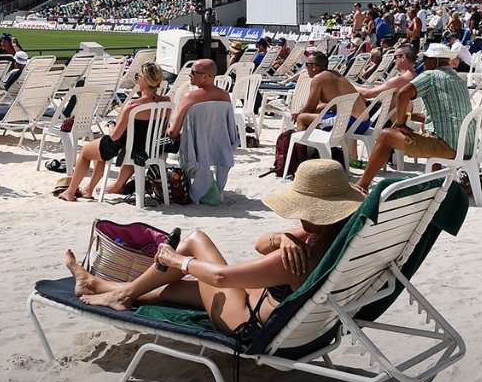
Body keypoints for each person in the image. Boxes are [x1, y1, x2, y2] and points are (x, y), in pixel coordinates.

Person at [63, 159, 362, 333]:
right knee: (175, 291)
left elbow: (222, 278)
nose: (298, 216)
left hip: (246, 322)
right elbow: (260, 246)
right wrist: (280, 237)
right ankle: (97, 285)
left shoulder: (300, 256)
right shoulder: (334, 238)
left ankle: (122, 294)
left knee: (195, 241)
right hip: (264, 308)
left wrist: (176, 260)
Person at [352, 42, 472, 193]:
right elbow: (444, 115)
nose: (424, 63)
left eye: (426, 59)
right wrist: (409, 116)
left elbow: (403, 93)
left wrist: (401, 123)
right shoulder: (458, 79)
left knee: (385, 136)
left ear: (433, 61)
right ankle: (436, 181)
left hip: (448, 147)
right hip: (467, 146)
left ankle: (361, 185)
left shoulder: (431, 75)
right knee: (430, 134)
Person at [55, 61, 169, 201]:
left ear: (144, 79)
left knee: (86, 151)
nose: (137, 79)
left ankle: (70, 192)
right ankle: (89, 189)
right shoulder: (167, 103)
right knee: (99, 148)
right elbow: (163, 129)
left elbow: (115, 136)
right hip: (145, 148)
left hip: (124, 147)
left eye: (138, 76)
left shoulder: (133, 105)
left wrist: (110, 125)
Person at [292, 51, 370, 135]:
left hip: (351, 124)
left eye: (307, 64)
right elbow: (326, 106)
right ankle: (316, 146)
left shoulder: (318, 79)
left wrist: (298, 114)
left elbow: (308, 109)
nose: (305, 67)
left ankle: (301, 147)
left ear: (314, 66)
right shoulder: (335, 74)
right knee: (321, 108)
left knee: (302, 119)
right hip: (364, 122)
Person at [165, 58, 231, 140]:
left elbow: (173, 133)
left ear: (206, 77)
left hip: (193, 149)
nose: (189, 74)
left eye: (193, 72)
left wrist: (165, 130)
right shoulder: (225, 96)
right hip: (219, 148)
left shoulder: (189, 97)